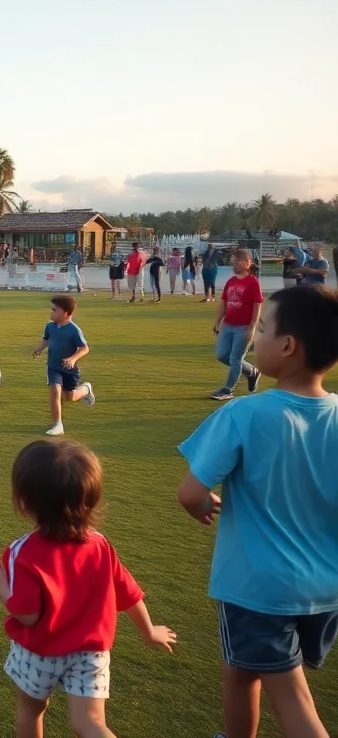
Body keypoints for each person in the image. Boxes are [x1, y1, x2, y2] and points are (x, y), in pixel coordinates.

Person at [177, 285, 338, 738]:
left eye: (262, 328)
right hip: (324, 589)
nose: (255, 336)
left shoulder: (245, 414)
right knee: (242, 667)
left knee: (293, 698)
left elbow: (191, 493)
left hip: (259, 588)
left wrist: (204, 504)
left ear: (287, 347)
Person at [0, 440, 176, 738]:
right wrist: (149, 631)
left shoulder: (21, 552)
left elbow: (27, 615)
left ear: (24, 501)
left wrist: (0, 586)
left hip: (40, 651)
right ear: (89, 501)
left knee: (31, 710)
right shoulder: (100, 545)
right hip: (91, 652)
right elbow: (129, 593)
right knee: (90, 723)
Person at [33, 295, 96, 436]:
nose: (51, 312)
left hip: (69, 370)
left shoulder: (74, 330)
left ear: (66, 313)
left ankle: (86, 388)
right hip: (53, 367)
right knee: (55, 392)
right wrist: (39, 348)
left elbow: (85, 348)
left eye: (55, 310)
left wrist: (73, 359)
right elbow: (46, 340)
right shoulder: (50, 326)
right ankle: (58, 424)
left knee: (71, 397)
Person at [210, 248, 263, 401]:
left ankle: (228, 389)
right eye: (233, 261)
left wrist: (253, 326)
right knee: (222, 356)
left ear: (248, 263)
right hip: (228, 325)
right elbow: (224, 303)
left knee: (235, 358)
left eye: (238, 261)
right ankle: (252, 372)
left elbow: (257, 304)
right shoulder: (231, 282)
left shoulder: (252, 281)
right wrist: (217, 322)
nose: (235, 264)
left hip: (244, 326)